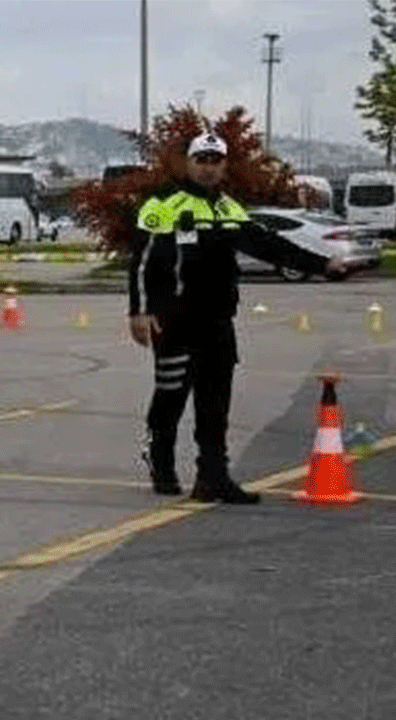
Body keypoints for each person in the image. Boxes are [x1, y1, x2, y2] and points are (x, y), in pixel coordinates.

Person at [128, 132, 343, 502]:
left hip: (217, 322)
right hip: (174, 321)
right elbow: (142, 261)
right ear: (189, 163)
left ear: (224, 165)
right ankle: (160, 461)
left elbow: (267, 244)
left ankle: (213, 476)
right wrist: (140, 311)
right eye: (202, 160)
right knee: (171, 396)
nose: (208, 168)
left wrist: (323, 264)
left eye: (216, 161)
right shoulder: (162, 204)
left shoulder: (228, 208)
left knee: (215, 402)